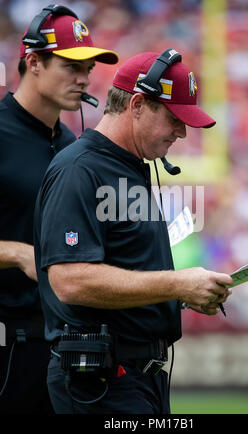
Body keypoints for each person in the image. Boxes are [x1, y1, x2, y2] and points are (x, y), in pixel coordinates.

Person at [33, 50, 233, 414]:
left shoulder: (132, 167)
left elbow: (128, 273)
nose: (182, 132)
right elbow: (70, 281)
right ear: (137, 104)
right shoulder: (80, 170)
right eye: (174, 118)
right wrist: (177, 284)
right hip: (100, 381)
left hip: (139, 378)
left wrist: (185, 294)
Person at [0, 5, 118, 414]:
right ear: (33, 62)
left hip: (67, 350)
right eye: (71, 66)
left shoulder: (72, 145)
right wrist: (15, 253)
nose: (84, 79)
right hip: (6, 349)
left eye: (88, 67)